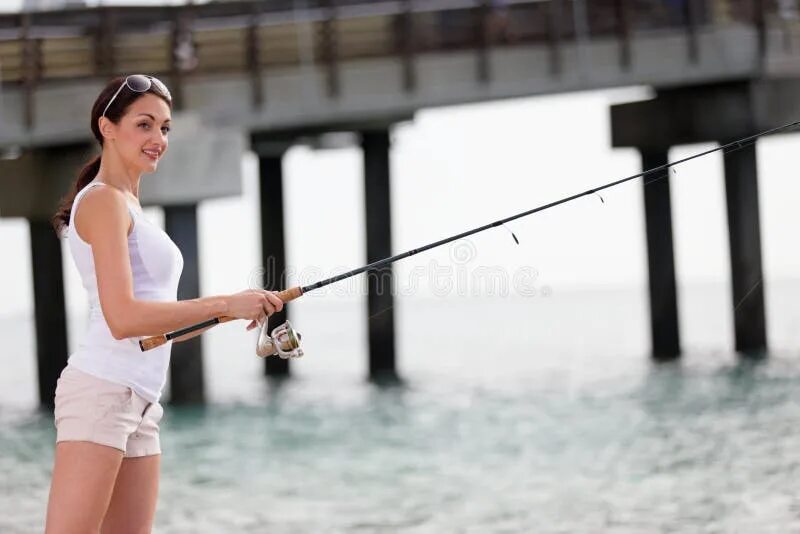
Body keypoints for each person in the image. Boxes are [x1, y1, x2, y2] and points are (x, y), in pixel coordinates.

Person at [44, 74, 284, 533]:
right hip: (102, 391)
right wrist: (225, 303)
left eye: (166, 128)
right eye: (145, 125)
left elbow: (157, 332)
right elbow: (123, 319)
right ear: (108, 127)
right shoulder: (102, 203)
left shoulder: (129, 206)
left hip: (139, 400)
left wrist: (232, 311)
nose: (158, 139)